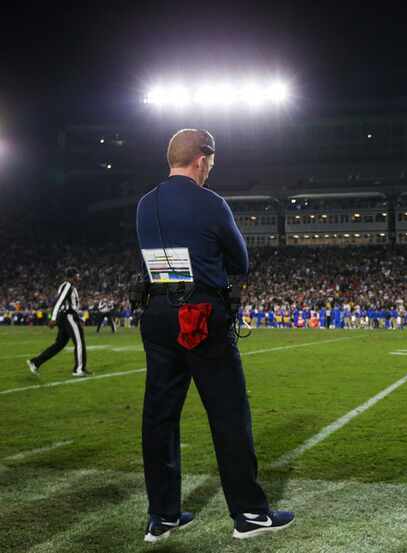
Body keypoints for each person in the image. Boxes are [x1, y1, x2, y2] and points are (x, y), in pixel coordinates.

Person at [136, 129, 293, 543]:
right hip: (202, 317)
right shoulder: (211, 203)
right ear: (202, 159)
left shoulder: (144, 204)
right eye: (211, 163)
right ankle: (249, 515)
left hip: (155, 315)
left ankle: (162, 516)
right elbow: (240, 260)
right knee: (228, 416)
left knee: (159, 418)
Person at [27, 267, 89, 377]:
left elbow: (69, 305)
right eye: (77, 275)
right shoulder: (68, 285)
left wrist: (78, 318)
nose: (79, 277)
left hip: (67, 316)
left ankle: (35, 362)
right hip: (68, 317)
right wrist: (53, 318)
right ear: (72, 276)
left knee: (59, 344)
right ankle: (79, 369)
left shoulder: (68, 286)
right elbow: (59, 302)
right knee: (79, 342)